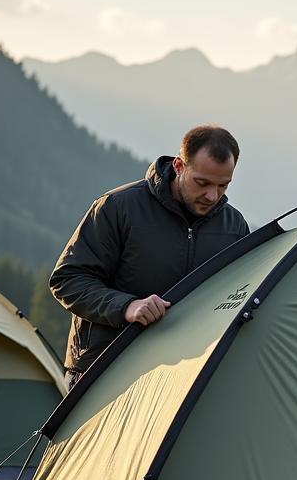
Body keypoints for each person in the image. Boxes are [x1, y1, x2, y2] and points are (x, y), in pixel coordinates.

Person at [50, 124, 249, 385]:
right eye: (202, 183)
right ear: (179, 166)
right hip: (103, 370)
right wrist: (126, 306)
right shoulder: (118, 208)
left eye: (223, 185)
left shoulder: (234, 228)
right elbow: (67, 280)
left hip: (180, 379)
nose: (212, 195)